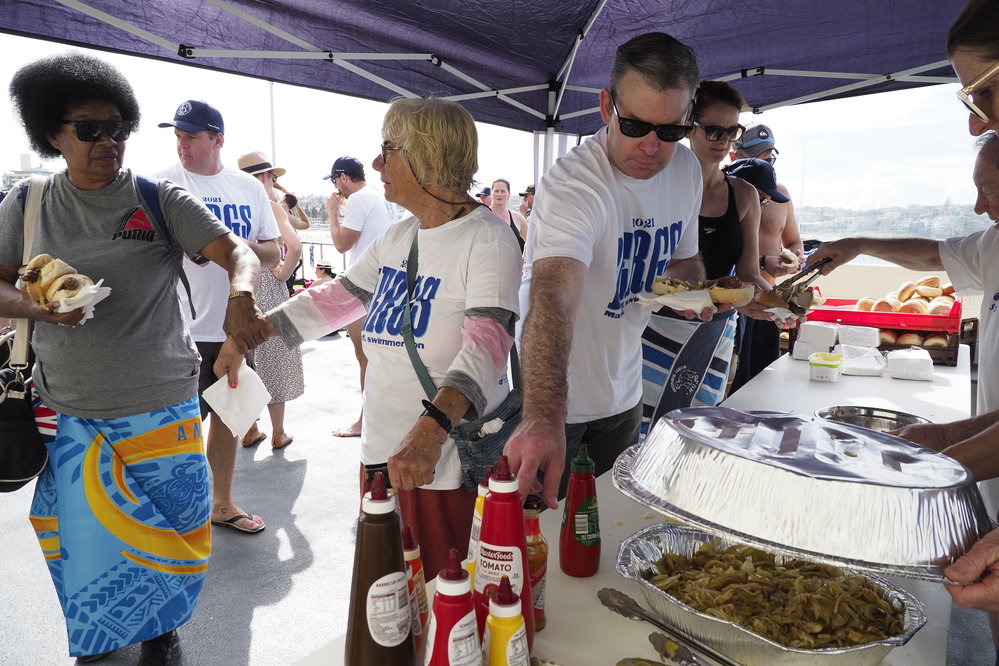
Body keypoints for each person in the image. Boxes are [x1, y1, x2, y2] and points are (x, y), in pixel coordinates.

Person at [0, 53, 263, 663]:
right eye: (88, 129)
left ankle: (160, 632)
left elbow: (239, 254)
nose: (107, 141)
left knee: (173, 535)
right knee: (88, 547)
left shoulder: (156, 198)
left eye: (118, 127)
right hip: (69, 410)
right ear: (52, 136)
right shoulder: (28, 202)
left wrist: (243, 294)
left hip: (161, 406)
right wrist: (39, 309)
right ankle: (100, 641)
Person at [214, 97, 522, 579]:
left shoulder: (489, 240)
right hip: (382, 455)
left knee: (447, 604)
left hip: (440, 464)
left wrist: (428, 433)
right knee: (389, 599)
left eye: (388, 149)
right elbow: (337, 298)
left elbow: (486, 344)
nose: (377, 163)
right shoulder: (400, 237)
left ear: (430, 156)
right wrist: (252, 334)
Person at [505, 32, 719, 509]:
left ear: (687, 121)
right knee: (539, 537)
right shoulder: (573, 183)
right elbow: (553, 295)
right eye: (635, 125)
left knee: (608, 524)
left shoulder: (685, 170)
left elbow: (684, 260)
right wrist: (543, 415)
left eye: (669, 131)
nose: (650, 146)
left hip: (625, 388)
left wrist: (697, 294)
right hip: (556, 400)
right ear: (607, 107)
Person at [158, 99, 281, 535]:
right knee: (177, 430)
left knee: (228, 419)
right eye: (178, 135)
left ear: (217, 140)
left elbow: (274, 249)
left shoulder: (248, 188)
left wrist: (233, 250)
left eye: (191, 135)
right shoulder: (161, 185)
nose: (182, 144)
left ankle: (222, 503)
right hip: (176, 329)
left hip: (231, 330)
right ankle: (174, 513)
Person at [638, 81, 776, 437]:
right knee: (641, 433)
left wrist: (775, 303)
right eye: (714, 129)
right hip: (653, 326)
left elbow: (747, 273)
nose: (723, 139)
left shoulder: (744, 194)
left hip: (714, 331)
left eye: (732, 131)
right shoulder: (654, 184)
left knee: (700, 432)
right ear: (689, 127)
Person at [729, 124, 804, 391]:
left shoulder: (781, 196)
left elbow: (794, 240)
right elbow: (722, 252)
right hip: (735, 300)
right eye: (756, 156)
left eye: (769, 156)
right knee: (734, 377)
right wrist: (762, 261)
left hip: (767, 298)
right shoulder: (725, 194)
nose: (764, 161)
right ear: (734, 156)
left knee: (763, 376)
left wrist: (796, 256)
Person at [237, 151, 305, 451]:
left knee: (242, 356)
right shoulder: (271, 207)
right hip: (267, 285)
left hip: (238, 286)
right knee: (274, 358)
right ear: (264, 177)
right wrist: (281, 275)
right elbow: (296, 245)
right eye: (273, 178)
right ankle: (278, 432)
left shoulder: (234, 205)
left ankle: (250, 428)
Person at [323, 155, 394, 438]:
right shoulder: (376, 196)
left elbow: (341, 244)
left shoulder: (358, 200)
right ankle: (376, 418)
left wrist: (331, 213)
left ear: (342, 178)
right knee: (378, 358)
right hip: (383, 284)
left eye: (334, 182)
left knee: (365, 358)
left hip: (364, 288)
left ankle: (365, 422)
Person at [489, 178, 528, 252]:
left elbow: (531, 242)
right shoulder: (483, 216)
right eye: (496, 191)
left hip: (514, 262)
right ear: (491, 194)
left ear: (509, 195)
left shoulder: (517, 218)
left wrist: (525, 259)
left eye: (503, 191)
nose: (499, 194)